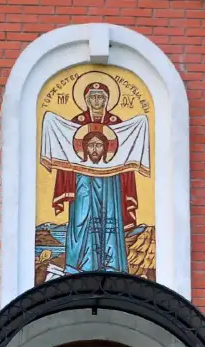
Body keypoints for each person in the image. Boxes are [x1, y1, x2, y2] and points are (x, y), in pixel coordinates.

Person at [49, 82, 139, 274]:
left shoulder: (116, 123)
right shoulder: (76, 122)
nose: (97, 101)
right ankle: (78, 266)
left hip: (110, 181)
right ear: (86, 100)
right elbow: (67, 153)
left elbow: (124, 156)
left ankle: (112, 265)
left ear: (107, 100)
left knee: (109, 219)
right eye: (93, 97)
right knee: (82, 218)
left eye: (101, 97)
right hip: (82, 179)